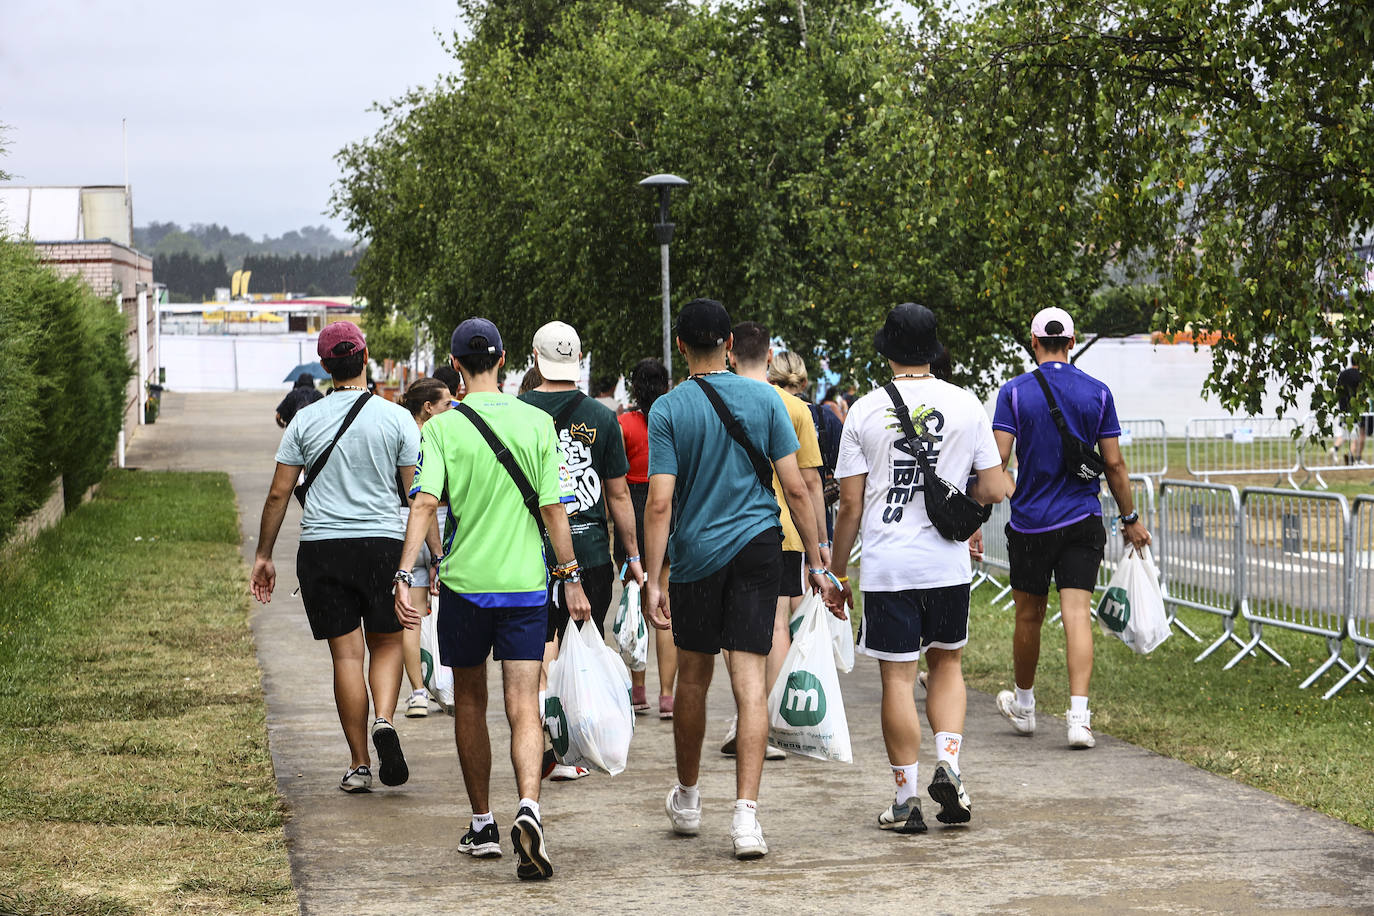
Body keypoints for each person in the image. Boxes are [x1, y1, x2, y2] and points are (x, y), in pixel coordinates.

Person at [394, 317, 589, 881]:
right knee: (523, 702)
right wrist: (569, 575)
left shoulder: (441, 429)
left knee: (472, 703)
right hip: (526, 587)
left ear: (454, 367)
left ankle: (482, 824)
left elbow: (425, 504)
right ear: (504, 360)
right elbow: (554, 509)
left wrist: (407, 572)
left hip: (464, 588)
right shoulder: (536, 422)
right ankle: (529, 804)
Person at [642, 298, 837, 861]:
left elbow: (659, 504)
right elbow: (796, 489)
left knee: (693, 681)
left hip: (697, 557)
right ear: (729, 343)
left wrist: (655, 580)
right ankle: (746, 819)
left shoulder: (668, 409)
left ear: (681, 347)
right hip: (758, 549)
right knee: (750, 684)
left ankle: (689, 796)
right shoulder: (767, 399)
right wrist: (818, 565)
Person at [825, 302, 1012, 833]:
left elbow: (852, 507)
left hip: (889, 568)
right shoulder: (966, 404)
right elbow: (994, 486)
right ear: (932, 350)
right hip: (947, 565)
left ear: (886, 350)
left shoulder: (862, 411)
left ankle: (906, 800)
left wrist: (838, 574)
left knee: (898, 680)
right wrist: (971, 506)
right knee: (947, 665)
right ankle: (949, 765)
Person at [250, 320, 419, 794]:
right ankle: (384, 719)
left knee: (346, 656)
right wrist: (432, 551)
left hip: (323, 549)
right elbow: (415, 496)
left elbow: (279, 494)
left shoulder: (305, 420)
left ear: (325, 367)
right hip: (383, 545)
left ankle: (360, 763)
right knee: (386, 644)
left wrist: (264, 554)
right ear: (365, 359)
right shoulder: (397, 418)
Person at [991, 306, 1151, 748]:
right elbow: (1114, 464)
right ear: (1073, 342)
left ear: (1033, 341)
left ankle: (1025, 707)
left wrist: (1001, 488)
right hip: (1082, 519)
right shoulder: (1098, 393)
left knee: (1029, 615)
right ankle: (1079, 719)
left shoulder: (1015, 393)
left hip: (1029, 524)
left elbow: (998, 461)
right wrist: (1130, 518)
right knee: (1076, 614)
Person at [519, 321, 645, 780]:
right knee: (580, 644)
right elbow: (617, 497)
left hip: (531, 552)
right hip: (590, 552)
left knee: (539, 647)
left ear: (535, 356)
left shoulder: (518, 412)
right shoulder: (603, 417)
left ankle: (543, 736)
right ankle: (574, 737)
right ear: (577, 359)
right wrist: (631, 556)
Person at [721, 322, 828, 762]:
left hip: (732, 528)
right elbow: (810, 484)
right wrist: (819, 544)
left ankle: (748, 717)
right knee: (780, 622)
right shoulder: (795, 409)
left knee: (735, 629)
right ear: (768, 357)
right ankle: (775, 719)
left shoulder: (719, 397)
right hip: (785, 528)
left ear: (730, 353)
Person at [616, 357, 679, 719]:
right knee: (665, 605)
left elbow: (615, 480)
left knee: (636, 604)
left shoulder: (625, 424)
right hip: (666, 506)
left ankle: (638, 689)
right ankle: (667, 696)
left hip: (632, 511)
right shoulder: (671, 420)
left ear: (635, 387)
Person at [396, 378, 451, 718]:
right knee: (440, 610)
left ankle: (417, 692)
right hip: (431, 525)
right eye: (446, 403)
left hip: (398, 525)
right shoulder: (431, 437)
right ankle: (445, 684)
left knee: (411, 617)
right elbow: (425, 502)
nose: (452, 406)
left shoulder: (398, 434)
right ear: (428, 408)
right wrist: (437, 554)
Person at [771, 351, 842, 536]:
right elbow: (843, 469)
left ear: (771, 380)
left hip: (772, 521)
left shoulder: (762, 412)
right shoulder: (825, 418)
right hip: (817, 519)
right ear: (804, 383)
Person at [1335, 358, 1369, 464]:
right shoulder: (1360, 376)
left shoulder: (1343, 374)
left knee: (1346, 432)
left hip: (1344, 407)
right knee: (1361, 432)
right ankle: (1355, 456)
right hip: (1357, 407)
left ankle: (1335, 449)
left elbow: (1337, 388)